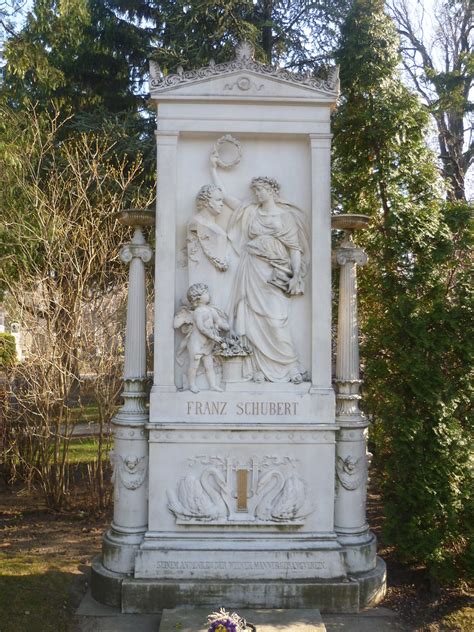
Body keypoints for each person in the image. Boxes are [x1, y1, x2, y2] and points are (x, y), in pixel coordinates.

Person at [211, 155, 309, 383]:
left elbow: (294, 248)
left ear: (272, 191)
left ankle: (290, 366)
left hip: (276, 273)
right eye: (256, 191)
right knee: (251, 317)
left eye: (261, 190)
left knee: (275, 320)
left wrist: (295, 275)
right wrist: (213, 169)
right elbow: (225, 198)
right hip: (252, 269)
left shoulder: (285, 217)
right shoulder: (251, 212)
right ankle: (256, 369)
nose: (258, 194)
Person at [174, 283, 230, 393]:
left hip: (207, 343)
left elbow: (218, 320)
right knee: (194, 365)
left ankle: (213, 385)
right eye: (206, 293)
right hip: (196, 343)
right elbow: (201, 328)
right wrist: (215, 337)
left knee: (209, 365)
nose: (209, 295)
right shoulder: (198, 312)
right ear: (198, 297)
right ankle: (192, 385)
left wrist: (226, 327)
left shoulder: (211, 310)